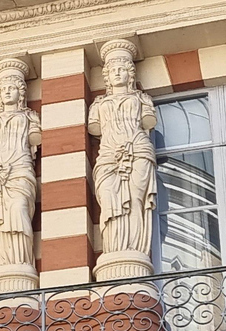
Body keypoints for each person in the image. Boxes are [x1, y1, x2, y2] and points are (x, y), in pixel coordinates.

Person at [89, 40, 157, 257]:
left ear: (130, 74)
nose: (117, 73)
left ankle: (134, 250)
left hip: (137, 150)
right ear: (106, 76)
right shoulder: (98, 105)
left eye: (122, 69)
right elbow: (94, 126)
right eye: (112, 70)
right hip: (108, 155)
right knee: (109, 199)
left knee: (136, 200)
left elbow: (148, 121)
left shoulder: (142, 99)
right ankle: (115, 249)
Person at [0, 59, 41, 273]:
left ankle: (19, 264)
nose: (7, 92)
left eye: (12, 88)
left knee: (19, 209)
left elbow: (35, 139)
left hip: (19, 169)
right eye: (3, 89)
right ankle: (1, 267)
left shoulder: (30, 117)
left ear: (21, 93)